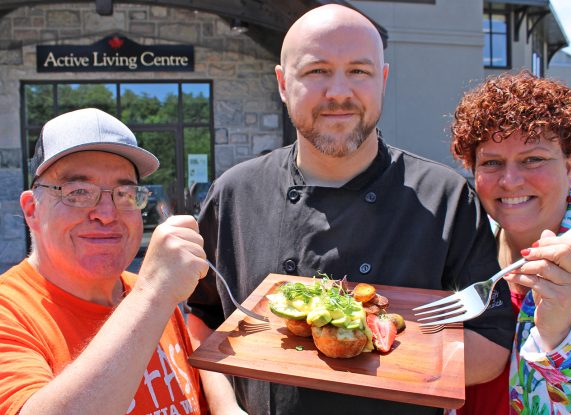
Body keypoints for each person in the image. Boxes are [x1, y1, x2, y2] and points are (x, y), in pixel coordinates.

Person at [188, 4, 516, 415]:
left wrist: (371, 340)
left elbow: (491, 344)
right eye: (317, 71)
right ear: (283, 83)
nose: (339, 92)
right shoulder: (235, 193)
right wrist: (224, 407)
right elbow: (202, 314)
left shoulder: (444, 197)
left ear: (383, 80)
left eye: (358, 71)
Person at [0, 108, 210, 415]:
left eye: (124, 194)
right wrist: (153, 294)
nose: (107, 214)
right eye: (79, 192)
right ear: (32, 210)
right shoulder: (11, 312)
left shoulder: (151, 295)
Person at [451, 71, 571, 414]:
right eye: (492, 162)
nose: (510, 181)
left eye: (533, 160)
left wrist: (564, 334)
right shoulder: (459, 246)